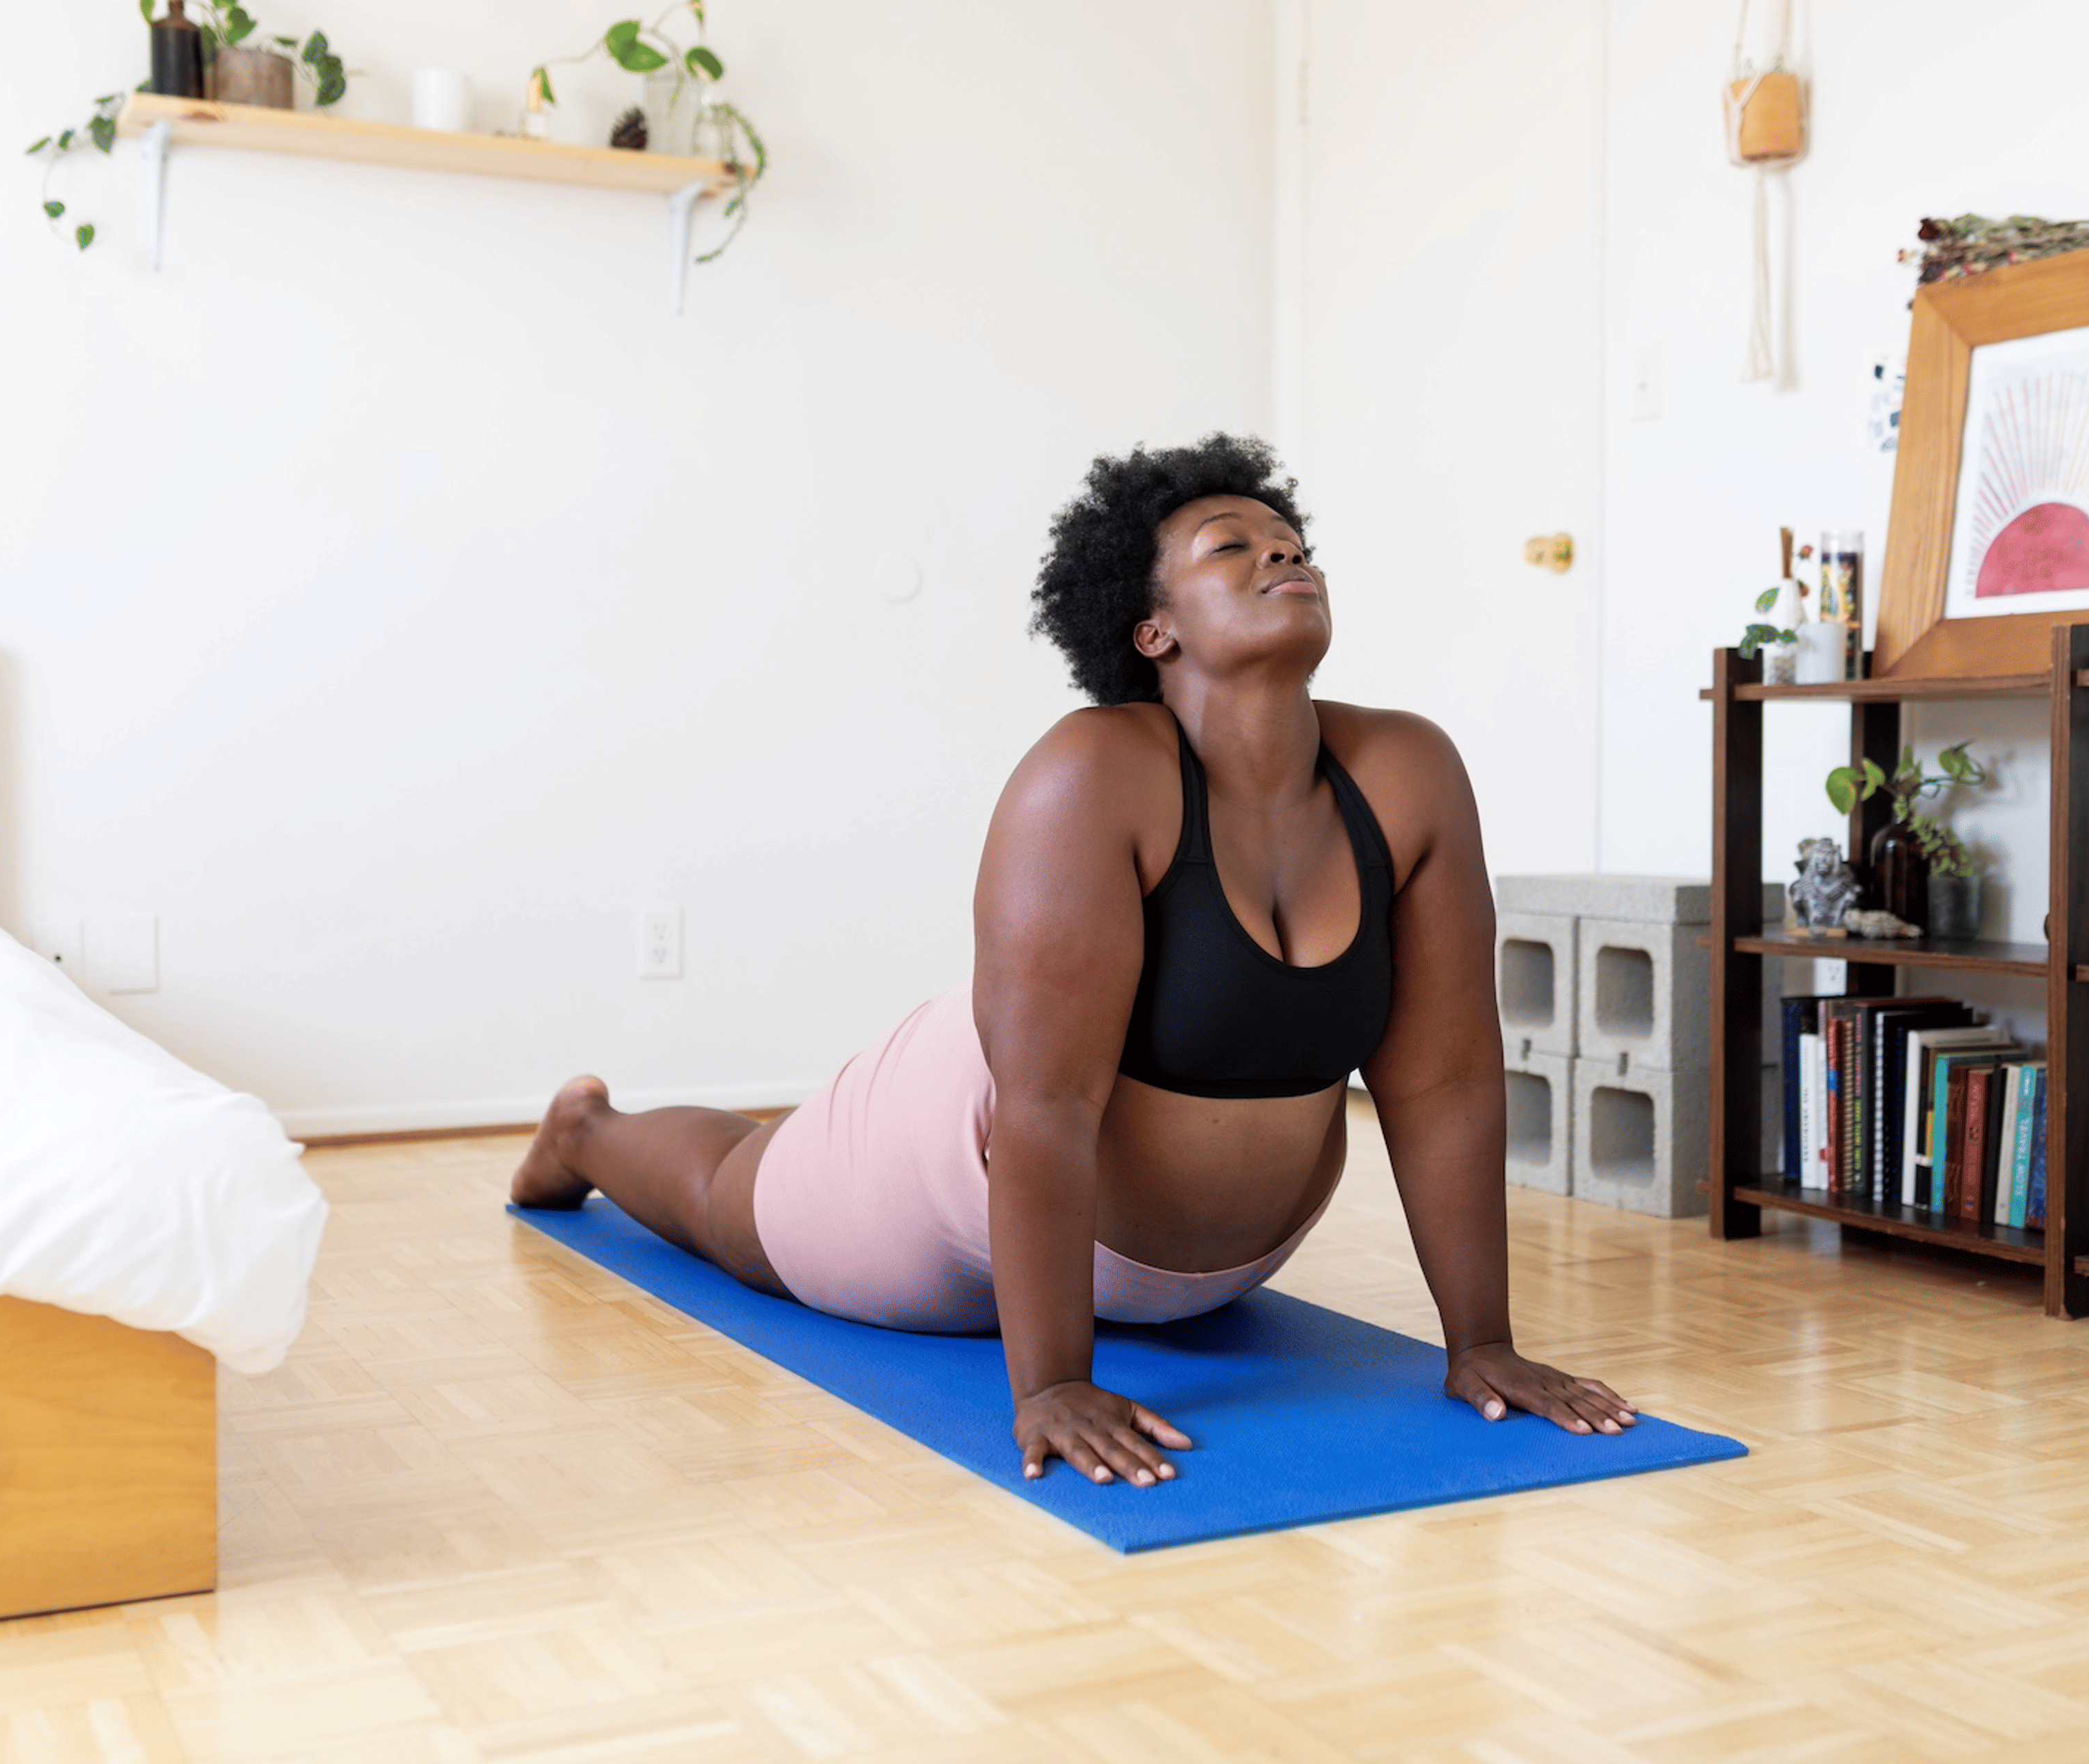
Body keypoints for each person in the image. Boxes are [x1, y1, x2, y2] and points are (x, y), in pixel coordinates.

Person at [512, 433, 1634, 1488]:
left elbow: (1441, 1083)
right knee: (731, 1204)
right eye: (1229, 545)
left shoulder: (1408, 769)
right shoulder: (1092, 773)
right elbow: (1042, 1104)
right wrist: (1051, 1379)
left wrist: (1484, 1342)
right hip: (954, 1162)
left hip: (1201, 1274)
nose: (1283, 550)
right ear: (1153, 631)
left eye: (1289, 538)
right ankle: (587, 1132)